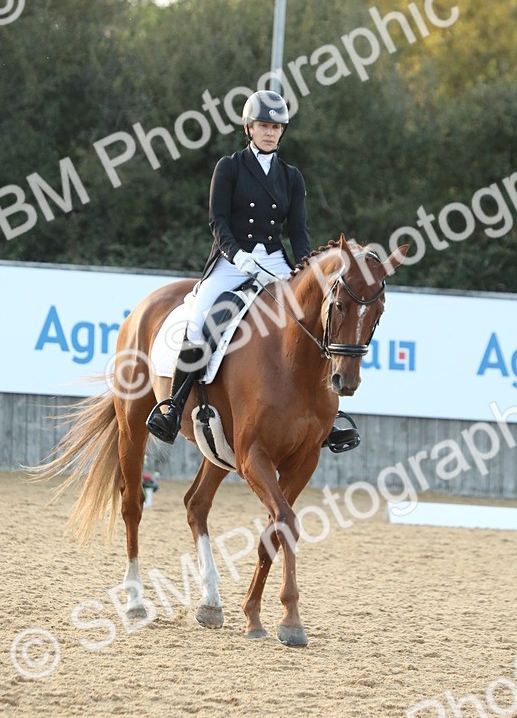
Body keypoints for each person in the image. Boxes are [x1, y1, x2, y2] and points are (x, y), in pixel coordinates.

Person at [146, 89, 358, 452]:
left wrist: (306, 270)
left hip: (275, 260)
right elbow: (218, 220)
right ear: (249, 128)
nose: (270, 132)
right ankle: (173, 406)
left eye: (276, 127)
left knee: (314, 319)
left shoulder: (292, 177)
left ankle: (323, 416)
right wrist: (237, 255)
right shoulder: (229, 167)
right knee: (199, 321)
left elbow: (298, 232)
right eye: (263, 125)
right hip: (232, 262)